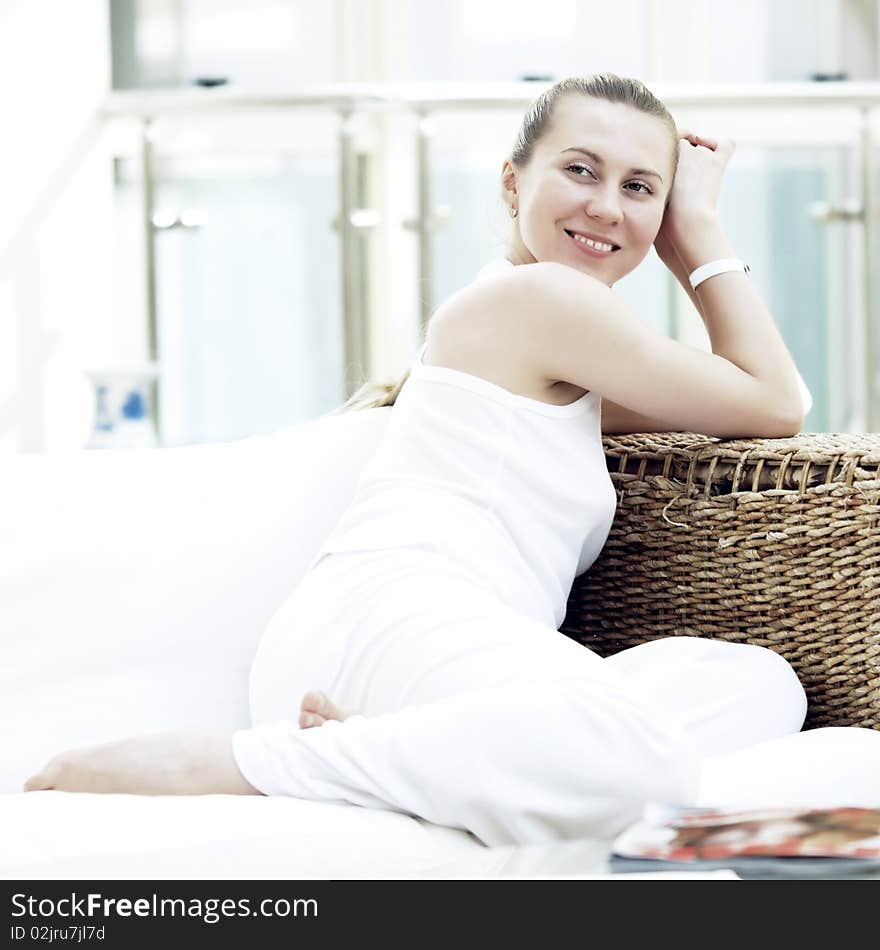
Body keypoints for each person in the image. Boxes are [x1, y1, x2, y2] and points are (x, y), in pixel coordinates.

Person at [23, 74, 811, 848]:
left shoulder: (544, 329)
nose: (606, 206)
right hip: (391, 619)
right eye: (580, 169)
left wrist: (680, 218)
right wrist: (700, 229)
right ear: (512, 181)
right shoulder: (546, 302)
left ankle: (417, 747)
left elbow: (747, 409)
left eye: (641, 188)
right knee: (641, 760)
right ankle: (252, 761)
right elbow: (777, 404)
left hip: (430, 647)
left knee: (755, 684)